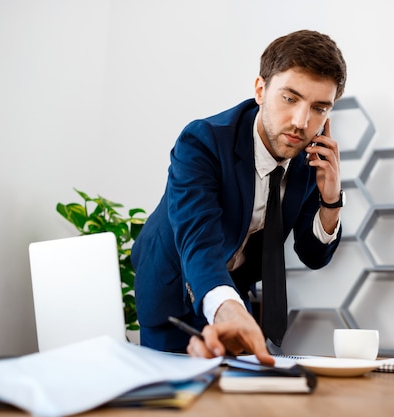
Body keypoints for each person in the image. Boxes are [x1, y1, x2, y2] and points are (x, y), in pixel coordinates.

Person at [131, 29, 347, 364]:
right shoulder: (202, 142)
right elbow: (198, 240)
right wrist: (227, 310)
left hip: (233, 288)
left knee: (237, 393)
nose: (301, 122)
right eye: (289, 98)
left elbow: (313, 254)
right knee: (171, 395)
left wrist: (331, 199)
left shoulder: (308, 162)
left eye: (319, 108)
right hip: (174, 287)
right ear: (260, 90)